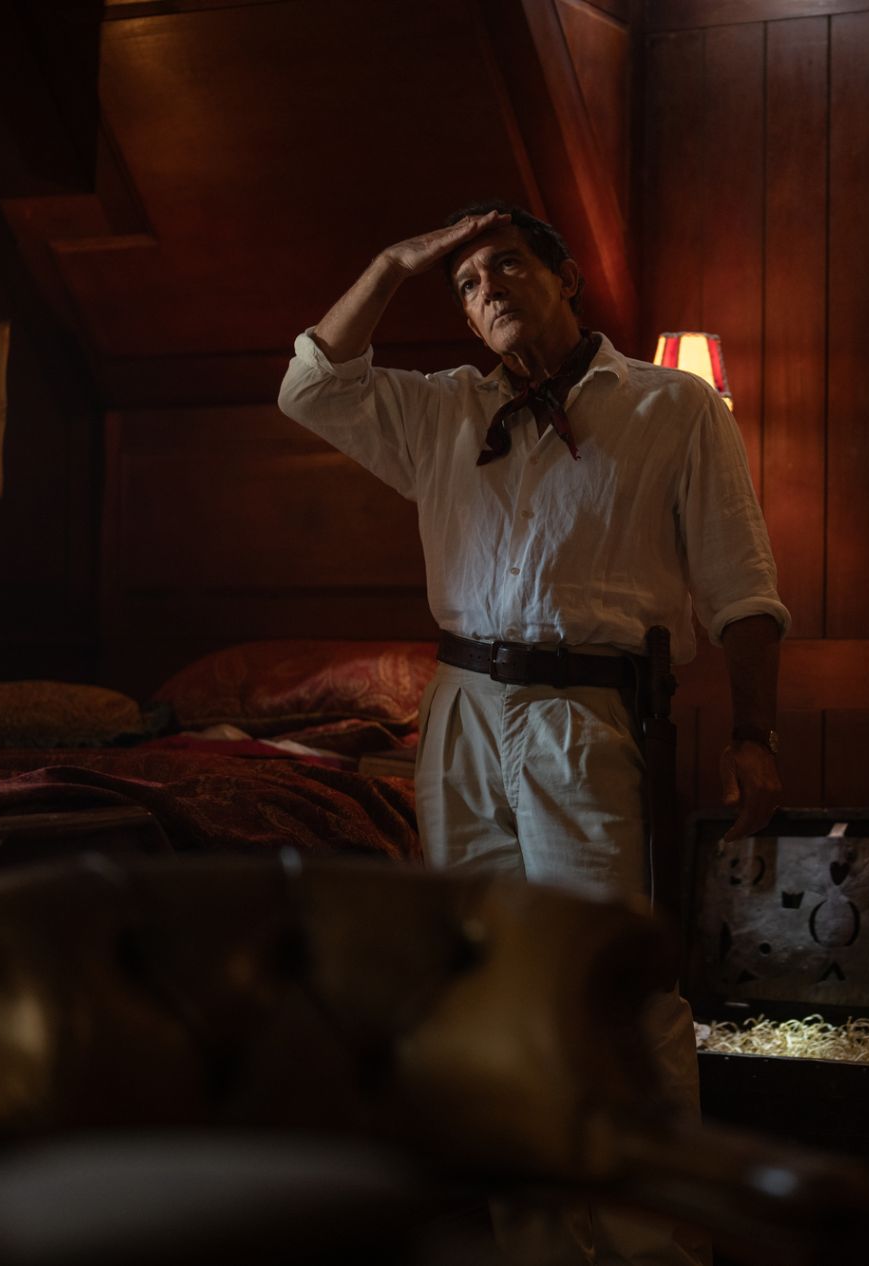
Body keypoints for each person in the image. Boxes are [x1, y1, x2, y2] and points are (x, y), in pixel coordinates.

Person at [277, 200, 787, 1265]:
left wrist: (755, 736)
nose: (488, 289)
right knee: (485, 984)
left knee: (612, 982)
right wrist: (391, 262)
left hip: (588, 714)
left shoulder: (673, 406)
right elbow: (311, 386)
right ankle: (538, 1245)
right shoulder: (441, 412)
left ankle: (649, 1250)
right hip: (461, 709)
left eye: (508, 266)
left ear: (566, 280)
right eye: (467, 285)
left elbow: (742, 589)